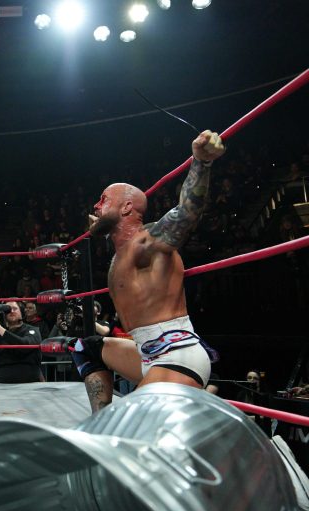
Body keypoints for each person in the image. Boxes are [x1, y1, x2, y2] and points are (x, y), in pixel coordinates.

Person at [74, 130, 226, 413]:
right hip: (148, 354)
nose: (96, 205)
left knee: (129, 423)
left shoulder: (147, 242)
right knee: (87, 348)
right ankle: (99, 419)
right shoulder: (122, 252)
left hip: (177, 356)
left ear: (126, 207)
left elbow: (186, 214)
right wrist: (100, 228)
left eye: (103, 199)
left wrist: (201, 163)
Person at [0, 301, 43, 383]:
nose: (11, 311)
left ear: (22, 312)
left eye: (15, 308)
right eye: (7, 310)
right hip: (0, 383)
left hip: (28, 382)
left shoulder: (32, 330)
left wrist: (0, 329)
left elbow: (24, 346)